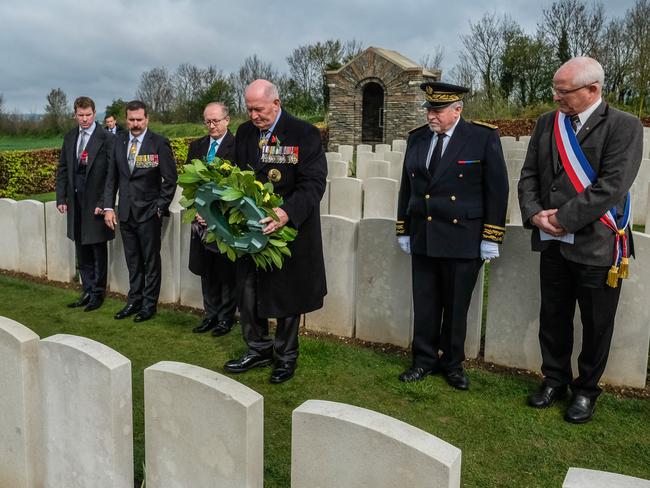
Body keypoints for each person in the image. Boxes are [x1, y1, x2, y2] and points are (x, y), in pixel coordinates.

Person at [518, 56, 642, 423]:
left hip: (596, 243)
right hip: (553, 241)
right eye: (555, 89)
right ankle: (554, 379)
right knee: (553, 316)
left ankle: (586, 390)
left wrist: (563, 218)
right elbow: (528, 175)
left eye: (563, 91)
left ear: (593, 90)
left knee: (595, 322)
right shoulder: (547, 123)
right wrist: (534, 213)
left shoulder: (623, 126)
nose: (556, 97)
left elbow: (612, 185)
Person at [396, 81, 509, 390]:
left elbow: (497, 190)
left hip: (463, 236)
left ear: (457, 109)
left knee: (457, 305)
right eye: (429, 109)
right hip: (425, 234)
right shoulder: (417, 139)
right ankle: (423, 360)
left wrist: (491, 235)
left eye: (438, 110)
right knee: (426, 302)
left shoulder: (481, 138)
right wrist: (403, 227)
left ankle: (453, 363)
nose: (431, 115)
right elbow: (408, 186)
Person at [223, 79, 327, 384]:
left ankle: (285, 356)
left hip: (287, 231)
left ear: (276, 104)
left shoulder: (303, 133)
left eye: (260, 109)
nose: (254, 115)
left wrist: (285, 213)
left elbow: (314, 183)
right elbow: (234, 175)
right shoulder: (244, 133)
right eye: (250, 109)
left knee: (286, 297)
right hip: (250, 229)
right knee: (248, 292)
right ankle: (257, 348)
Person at [103, 100, 178, 323]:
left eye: (139, 119)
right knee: (132, 260)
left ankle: (148, 305)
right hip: (125, 212)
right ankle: (134, 300)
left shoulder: (159, 143)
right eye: (131, 120)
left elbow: (170, 179)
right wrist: (109, 207)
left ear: (147, 119)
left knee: (150, 260)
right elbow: (112, 178)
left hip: (148, 213)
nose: (135, 124)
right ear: (126, 120)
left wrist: (160, 207)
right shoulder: (118, 141)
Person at [55, 96, 115, 311]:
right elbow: (62, 169)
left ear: (94, 113)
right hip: (75, 201)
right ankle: (87, 290)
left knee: (97, 248)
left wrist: (104, 202)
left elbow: (111, 174)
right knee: (81, 248)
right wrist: (61, 197)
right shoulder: (70, 137)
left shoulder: (106, 138)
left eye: (88, 115)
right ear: (75, 115)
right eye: (80, 115)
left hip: (96, 203)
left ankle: (98, 294)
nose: (84, 119)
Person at [186, 102, 238, 336]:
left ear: (227, 120)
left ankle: (226, 319)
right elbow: (189, 184)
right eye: (207, 121)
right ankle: (210, 314)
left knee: (225, 271)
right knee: (206, 269)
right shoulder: (197, 146)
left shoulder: (236, 146)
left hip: (225, 220)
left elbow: (239, 187)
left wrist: (214, 213)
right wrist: (198, 209)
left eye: (216, 120)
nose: (211, 125)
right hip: (200, 220)